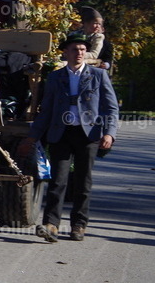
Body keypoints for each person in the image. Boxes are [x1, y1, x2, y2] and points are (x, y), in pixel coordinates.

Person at [19, 31, 118, 242]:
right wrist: (32, 137)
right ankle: (51, 225)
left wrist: (109, 133)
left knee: (83, 182)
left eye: (83, 49)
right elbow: (46, 111)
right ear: (66, 52)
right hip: (61, 133)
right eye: (75, 49)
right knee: (58, 181)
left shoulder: (98, 75)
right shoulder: (56, 77)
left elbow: (111, 107)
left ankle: (78, 225)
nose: (79, 53)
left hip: (88, 134)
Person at [79, 6, 114, 71]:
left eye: (99, 24)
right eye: (95, 23)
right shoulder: (75, 36)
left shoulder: (104, 42)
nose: (98, 26)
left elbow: (108, 58)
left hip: (95, 70)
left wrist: (106, 65)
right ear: (86, 24)